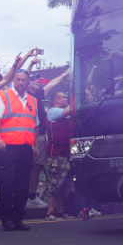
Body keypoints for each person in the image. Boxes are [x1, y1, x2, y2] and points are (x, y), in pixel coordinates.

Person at [0, 68, 38, 232]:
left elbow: (36, 124)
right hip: (7, 147)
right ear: (14, 81)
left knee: (22, 185)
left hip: (26, 147)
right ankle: (6, 219)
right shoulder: (3, 96)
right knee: (7, 183)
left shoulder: (32, 100)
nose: (20, 83)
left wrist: (36, 146)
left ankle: (18, 218)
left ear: (28, 82)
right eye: (17, 80)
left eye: (23, 80)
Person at [25, 64, 70, 209]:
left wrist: (64, 74)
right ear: (27, 83)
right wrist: (30, 63)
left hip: (39, 135)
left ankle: (32, 196)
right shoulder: (23, 95)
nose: (37, 81)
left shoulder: (38, 94)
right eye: (34, 80)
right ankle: (23, 195)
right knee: (25, 166)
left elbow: (52, 83)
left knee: (37, 166)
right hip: (27, 134)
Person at [44, 92, 74, 220]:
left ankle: (60, 211)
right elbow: (70, 109)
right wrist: (76, 97)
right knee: (54, 183)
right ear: (57, 100)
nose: (66, 99)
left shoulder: (64, 113)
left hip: (67, 153)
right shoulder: (53, 112)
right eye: (64, 97)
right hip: (56, 154)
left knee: (63, 185)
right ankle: (50, 211)